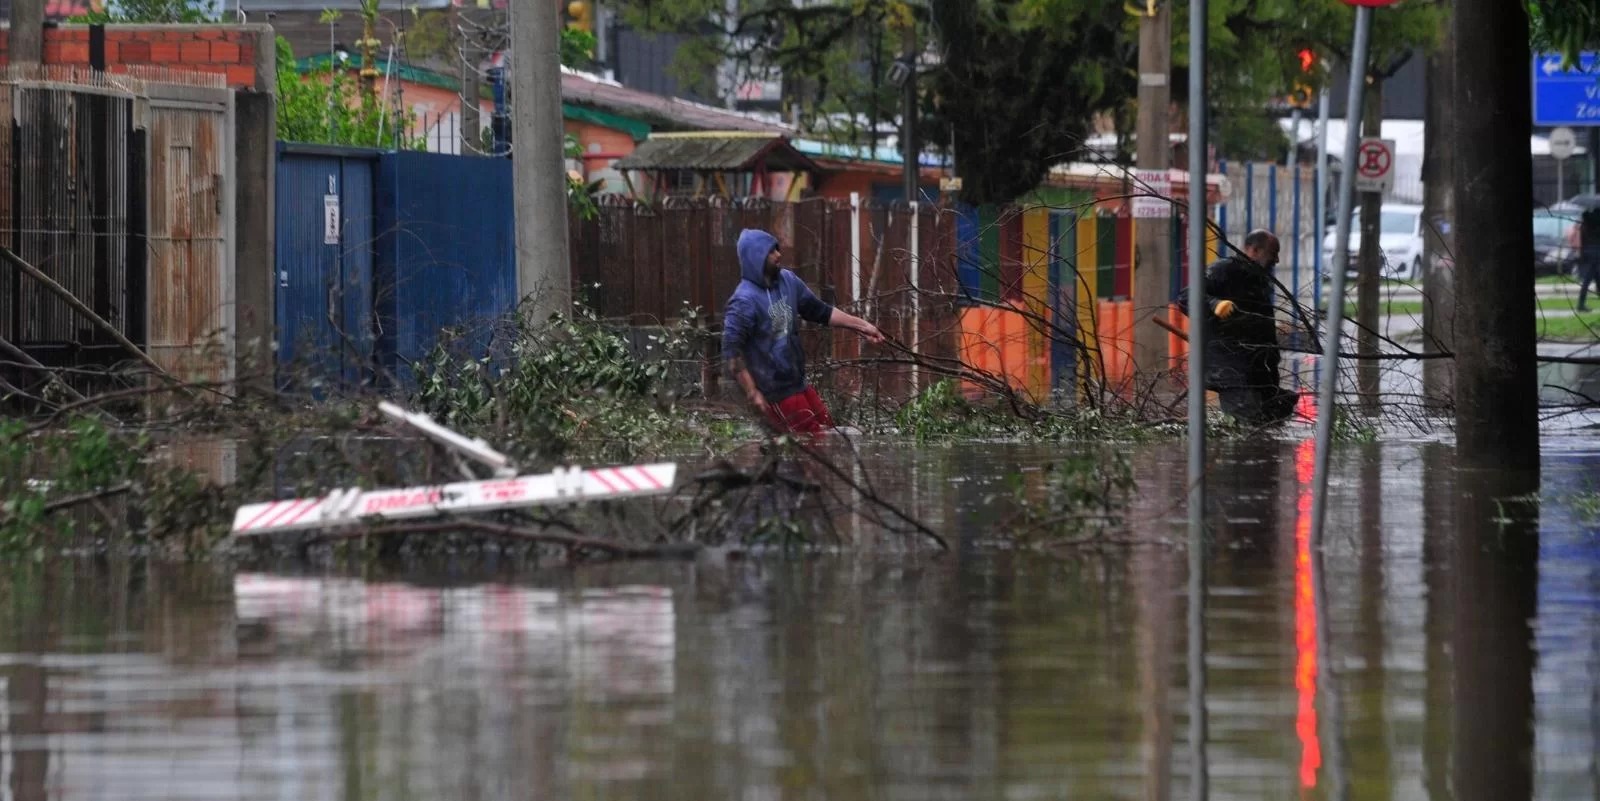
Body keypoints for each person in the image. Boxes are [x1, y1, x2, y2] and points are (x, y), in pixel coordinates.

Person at [723, 228, 885, 436]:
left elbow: (820, 311)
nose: (778, 254)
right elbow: (732, 354)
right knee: (815, 442)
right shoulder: (743, 302)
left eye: (777, 249)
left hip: (798, 384)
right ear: (757, 258)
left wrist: (862, 326)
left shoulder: (788, 281)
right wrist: (753, 393)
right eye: (771, 251)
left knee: (831, 431)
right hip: (775, 392)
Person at [1175, 228, 1298, 425]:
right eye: (1273, 253)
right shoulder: (1224, 270)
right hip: (1232, 372)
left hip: (1259, 370)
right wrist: (1214, 304)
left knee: (1276, 417)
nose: (1277, 260)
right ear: (1254, 250)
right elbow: (1186, 297)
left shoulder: (1259, 280)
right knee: (1247, 430)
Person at [1577, 208, 1600, 311]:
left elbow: (1582, 241)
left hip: (1587, 252)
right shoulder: (1597, 226)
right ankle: (1580, 304)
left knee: (1595, 277)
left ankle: (1581, 303)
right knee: (1589, 279)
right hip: (1597, 252)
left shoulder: (1584, 226)